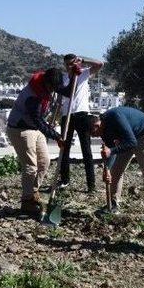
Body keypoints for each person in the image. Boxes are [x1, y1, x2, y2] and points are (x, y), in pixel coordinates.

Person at [6, 68, 72, 215]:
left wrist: (74, 75)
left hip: (34, 128)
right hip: (20, 129)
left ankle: (33, 192)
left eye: (55, 88)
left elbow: (68, 92)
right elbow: (38, 122)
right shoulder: (32, 96)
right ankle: (27, 200)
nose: (53, 91)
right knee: (30, 166)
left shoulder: (51, 85)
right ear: (45, 83)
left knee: (44, 162)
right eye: (51, 88)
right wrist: (57, 137)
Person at [89, 106, 144, 225]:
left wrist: (111, 151)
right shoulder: (103, 130)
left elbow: (132, 143)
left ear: (97, 125)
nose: (96, 136)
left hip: (143, 134)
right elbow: (110, 149)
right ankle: (114, 204)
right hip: (127, 138)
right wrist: (107, 169)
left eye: (94, 133)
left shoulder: (115, 117)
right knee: (116, 171)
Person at [58, 54, 103, 192]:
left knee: (86, 149)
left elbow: (100, 64)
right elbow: (60, 97)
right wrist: (58, 104)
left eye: (71, 63)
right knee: (64, 149)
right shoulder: (64, 78)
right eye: (67, 64)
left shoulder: (83, 73)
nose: (69, 67)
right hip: (67, 115)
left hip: (82, 114)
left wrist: (83, 61)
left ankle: (91, 185)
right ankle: (65, 180)